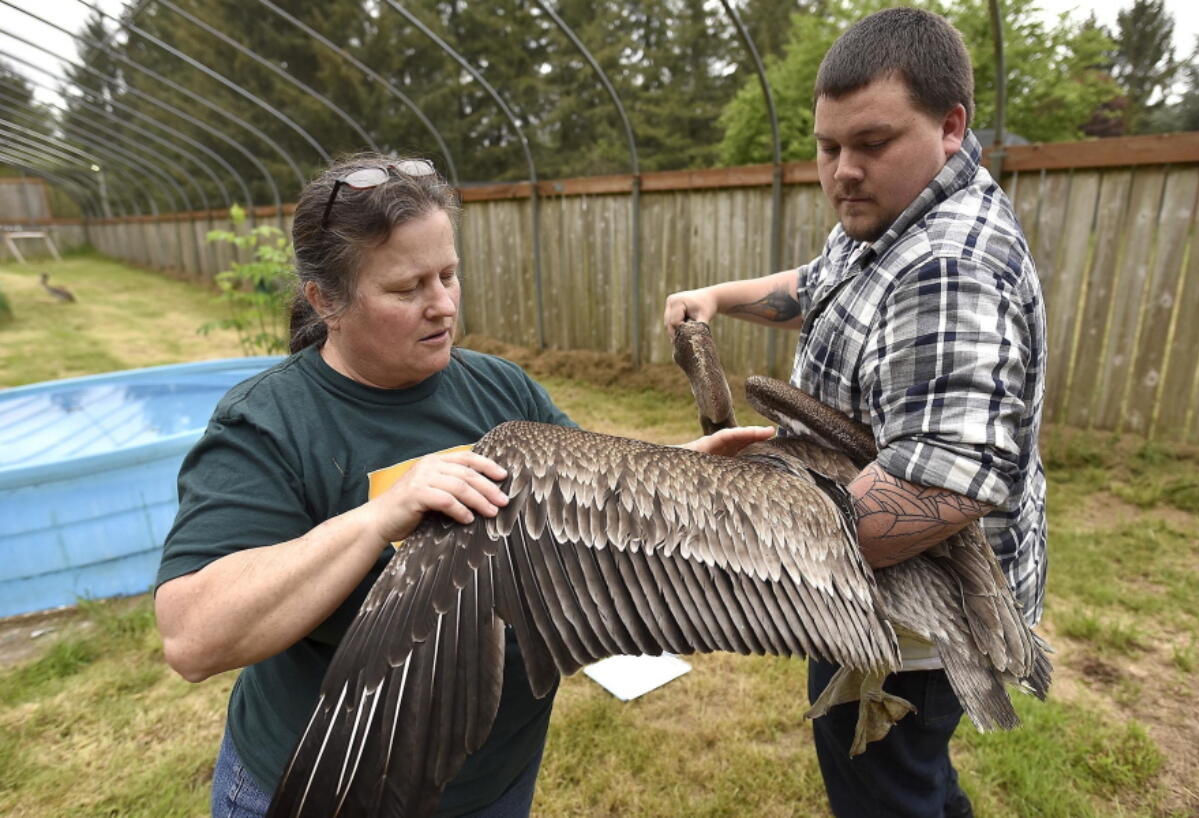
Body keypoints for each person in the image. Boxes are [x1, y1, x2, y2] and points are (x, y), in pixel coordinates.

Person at [155, 154, 770, 818]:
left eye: (449, 275)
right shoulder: (271, 423)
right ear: (325, 300)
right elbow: (193, 637)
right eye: (407, 287)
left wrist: (681, 473)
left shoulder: (501, 388)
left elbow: (585, 511)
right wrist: (377, 519)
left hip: (491, 783)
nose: (443, 305)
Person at [664, 8, 1046, 818]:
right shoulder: (889, 218)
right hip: (871, 593)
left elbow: (942, 491)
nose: (841, 171)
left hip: (912, 624)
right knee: (912, 780)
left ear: (950, 126)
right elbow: (826, 283)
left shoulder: (948, 268)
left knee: (883, 791)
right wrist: (720, 298)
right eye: (828, 146)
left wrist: (739, 532)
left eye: (870, 144)